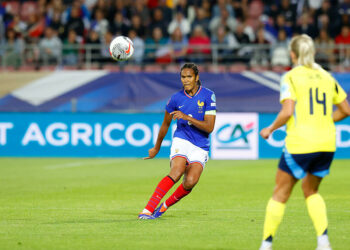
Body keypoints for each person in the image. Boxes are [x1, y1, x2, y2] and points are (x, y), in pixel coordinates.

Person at [259, 34, 350, 250]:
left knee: (280, 193)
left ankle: (266, 244)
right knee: (311, 191)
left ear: (292, 54)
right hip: (327, 144)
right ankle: (323, 242)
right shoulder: (327, 77)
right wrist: (325, 118)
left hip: (301, 143)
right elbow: (346, 110)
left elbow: (288, 111)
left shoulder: (291, 77)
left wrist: (270, 128)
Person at [138, 63, 217, 219]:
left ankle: (163, 207)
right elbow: (165, 124)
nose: (186, 80)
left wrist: (187, 117)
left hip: (200, 144)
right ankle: (148, 209)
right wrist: (156, 148)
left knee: (190, 182)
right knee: (176, 171)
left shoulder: (208, 95)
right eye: (183, 77)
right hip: (181, 139)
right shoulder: (175, 98)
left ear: (196, 78)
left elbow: (209, 127)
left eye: (189, 77)